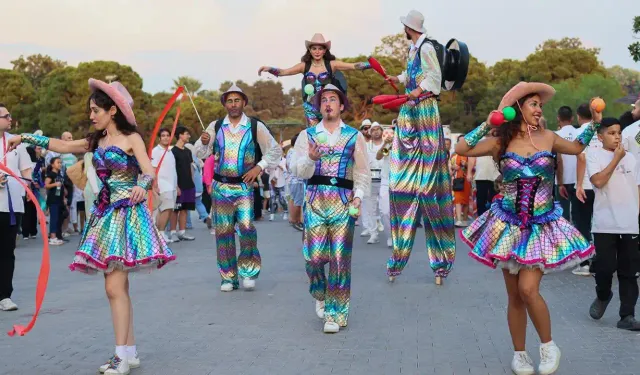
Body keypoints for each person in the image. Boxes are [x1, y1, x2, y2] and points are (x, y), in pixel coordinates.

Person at [9, 79, 175, 375]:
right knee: (118, 287)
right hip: (105, 215)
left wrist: (141, 185)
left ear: (113, 110)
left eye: (96, 110)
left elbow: (149, 170)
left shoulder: (131, 138)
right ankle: (130, 351)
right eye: (90, 110)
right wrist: (25, 137)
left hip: (127, 214)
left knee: (114, 287)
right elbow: (62, 145)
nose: (91, 115)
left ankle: (121, 357)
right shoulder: (96, 141)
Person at [456, 82, 599, 375]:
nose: (539, 110)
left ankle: (548, 346)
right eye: (534, 104)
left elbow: (576, 147)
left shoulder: (548, 137)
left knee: (528, 288)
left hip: (540, 226)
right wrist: (487, 124)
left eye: (541, 106)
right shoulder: (500, 142)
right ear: (518, 108)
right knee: (514, 296)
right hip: (508, 225)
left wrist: (595, 122)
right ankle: (520, 355)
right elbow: (462, 148)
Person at [292, 84, 370, 333]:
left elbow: (362, 171)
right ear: (319, 107)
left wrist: (358, 196)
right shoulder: (307, 136)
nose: (328, 103)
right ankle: (320, 292)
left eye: (333, 99)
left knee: (339, 259)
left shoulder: (354, 135)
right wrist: (311, 159)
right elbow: (298, 171)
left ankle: (335, 315)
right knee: (313, 258)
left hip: (343, 202)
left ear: (341, 105)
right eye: (324, 99)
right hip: (314, 201)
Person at [385, 10, 455, 285]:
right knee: (401, 185)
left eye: (403, 25)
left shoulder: (426, 47)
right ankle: (397, 258)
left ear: (408, 27)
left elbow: (433, 77)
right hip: (409, 112)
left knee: (429, 190)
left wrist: (417, 90)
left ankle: (441, 262)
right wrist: (399, 79)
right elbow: (412, 74)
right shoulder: (414, 49)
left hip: (424, 110)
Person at [193, 84, 282, 291]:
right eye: (229, 101)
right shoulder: (215, 126)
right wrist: (205, 142)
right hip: (220, 186)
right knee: (223, 232)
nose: (233, 105)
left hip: (244, 187)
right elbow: (200, 152)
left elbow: (274, 150)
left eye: (237, 100)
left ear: (244, 103)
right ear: (225, 104)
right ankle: (228, 277)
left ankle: (248, 272)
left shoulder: (254, 126)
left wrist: (258, 168)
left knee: (246, 228)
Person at [586, 117, 640, 331]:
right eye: (611, 133)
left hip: (629, 224)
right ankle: (603, 294)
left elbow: (637, 187)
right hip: (604, 223)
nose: (616, 137)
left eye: (618, 132)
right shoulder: (594, 154)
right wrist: (616, 159)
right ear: (600, 137)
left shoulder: (632, 159)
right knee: (605, 268)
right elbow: (598, 181)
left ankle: (627, 315)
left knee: (629, 271)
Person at [258, 33, 373, 126]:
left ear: (324, 51)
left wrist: (372, 65)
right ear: (310, 50)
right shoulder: (304, 66)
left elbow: (353, 66)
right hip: (311, 107)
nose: (317, 51)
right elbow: (283, 72)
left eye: (320, 48)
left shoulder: (332, 65)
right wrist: (269, 69)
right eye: (314, 48)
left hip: (328, 106)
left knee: (330, 134)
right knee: (315, 137)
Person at [0, 103, 33, 312]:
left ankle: (4, 295)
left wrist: (27, 186)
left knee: (7, 252)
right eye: (6, 115)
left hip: (12, 206)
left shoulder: (16, 143)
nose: (10, 118)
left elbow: (26, 169)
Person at [573, 103, 599, 276]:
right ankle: (600, 263)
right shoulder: (601, 131)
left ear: (578, 116)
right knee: (597, 224)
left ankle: (584, 263)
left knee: (581, 223)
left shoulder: (579, 132)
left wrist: (579, 184)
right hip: (600, 183)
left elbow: (581, 158)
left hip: (585, 184)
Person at [151, 128, 178, 243]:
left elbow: (172, 170)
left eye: (168, 135)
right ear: (159, 138)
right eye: (163, 135)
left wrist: (176, 186)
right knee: (164, 209)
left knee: (169, 209)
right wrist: (155, 185)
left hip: (172, 186)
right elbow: (153, 168)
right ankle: (161, 233)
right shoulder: (156, 151)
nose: (166, 137)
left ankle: (162, 233)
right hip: (163, 185)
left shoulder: (169, 151)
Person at [169, 126, 196, 241]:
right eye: (186, 134)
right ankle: (173, 232)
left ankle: (182, 232)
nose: (188, 136)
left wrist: (192, 183)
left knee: (185, 209)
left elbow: (190, 167)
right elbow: (171, 169)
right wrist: (175, 186)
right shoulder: (173, 152)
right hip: (178, 185)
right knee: (175, 210)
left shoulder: (188, 151)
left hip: (188, 185)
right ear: (180, 135)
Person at [362, 121, 384, 244]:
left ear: (381, 131)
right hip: (369, 180)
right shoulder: (365, 146)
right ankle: (373, 233)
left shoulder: (388, 145)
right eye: (373, 129)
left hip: (384, 179)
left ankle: (389, 233)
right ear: (370, 132)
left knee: (384, 208)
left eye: (378, 129)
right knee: (369, 208)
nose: (375, 131)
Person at [554, 106, 578, 223]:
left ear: (558, 118)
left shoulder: (555, 135)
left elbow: (558, 160)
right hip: (579, 180)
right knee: (579, 217)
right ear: (572, 118)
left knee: (563, 217)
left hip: (562, 180)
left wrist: (560, 183)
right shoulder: (579, 133)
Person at [44, 156, 66, 246]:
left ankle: (55, 235)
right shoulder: (51, 174)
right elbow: (46, 185)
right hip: (53, 199)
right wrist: (55, 184)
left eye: (61, 163)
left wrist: (64, 195)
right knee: (54, 218)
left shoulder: (59, 174)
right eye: (58, 162)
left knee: (58, 218)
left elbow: (61, 186)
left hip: (59, 199)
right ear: (52, 164)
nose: (60, 164)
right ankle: (52, 237)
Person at [286, 133, 304, 231]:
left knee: (293, 200)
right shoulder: (295, 152)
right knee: (298, 202)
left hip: (292, 179)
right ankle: (297, 221)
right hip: (298, 180)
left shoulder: (290, 151)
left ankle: (293, 219)